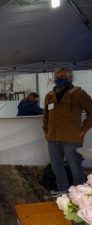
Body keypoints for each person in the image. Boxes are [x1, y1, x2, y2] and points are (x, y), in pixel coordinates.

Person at [43, 68, 92, 197]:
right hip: (53, 137)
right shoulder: (50, 95)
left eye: (63, 76)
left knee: (75, 166)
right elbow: (46, 115)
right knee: (56, 165)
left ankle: (80, 193)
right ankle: (62, 188)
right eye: (57, 76)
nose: (59, 79)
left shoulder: (79, 94)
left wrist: (84, 128)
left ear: (70, 78)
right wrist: (45, 130)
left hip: (72, 137)